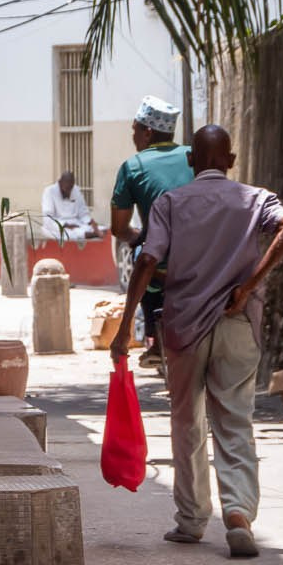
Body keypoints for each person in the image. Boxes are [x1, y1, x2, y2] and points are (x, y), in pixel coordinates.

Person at [113, 125, 283, 559]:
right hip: (238, 323)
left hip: (184, 328)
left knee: (187, 421)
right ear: (230, 161)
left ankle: (192, 519)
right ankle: (237, 513)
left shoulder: (171, 202)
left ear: (190, 161)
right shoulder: (256, 199)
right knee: (234, 419)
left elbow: (147, 259)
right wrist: (249, 286)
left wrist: (125, 327)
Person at [110, 96, 192, 370]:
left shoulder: (133, 166)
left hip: (165, 261)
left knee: (143, 256)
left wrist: (135, 236)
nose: (132, 135)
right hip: (206, 253)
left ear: (147, 132)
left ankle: (155, 339)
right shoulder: (193, 155)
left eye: (134, 129)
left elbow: (119, 228)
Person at [42, 171, 99, 241]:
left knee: (99, 228)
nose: (69, 192)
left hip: (76, 224)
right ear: (60, 183)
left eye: (71, 189)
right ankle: (87, 234)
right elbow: (48, 219)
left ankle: (89, 233)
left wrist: (90, 221)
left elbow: (83, 213)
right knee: (67, 233)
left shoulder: (76, 190)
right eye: (67, 189)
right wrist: (66, 225)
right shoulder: (49, 192)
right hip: (57, 226)